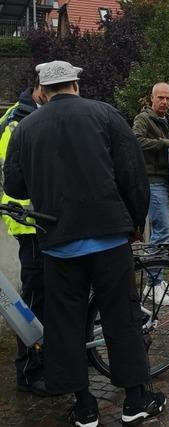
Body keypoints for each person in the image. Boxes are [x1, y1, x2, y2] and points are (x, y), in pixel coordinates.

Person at [3, 60, 166, 426]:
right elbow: (133, 175)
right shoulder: (105, 115)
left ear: (43, 92)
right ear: (76, 84)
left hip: (58, 241)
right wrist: (134, 223)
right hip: (109, 238)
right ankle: (136, 400)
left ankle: (84, 405)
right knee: (121, 317)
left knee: (65, 324)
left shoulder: (25, 127)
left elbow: (14, 187)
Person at [0, 77, 50, 396]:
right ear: (38, 89)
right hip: (29, 220)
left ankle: (48, 357)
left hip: (42, 219)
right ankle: (29, 370)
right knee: (34, 295)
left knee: (49, 292)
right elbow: (18, 173)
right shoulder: (18, 122)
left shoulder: (33, 115)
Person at [133, 82, 169, 305]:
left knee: (164, 230)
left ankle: (159, 277)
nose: (165, 102)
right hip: (152, 181)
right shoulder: (143, 119)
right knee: (163, 227)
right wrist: (165, 143)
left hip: (168, 182)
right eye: (161, 98)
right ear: (152, 98)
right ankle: (152, 285)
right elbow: (135, 141)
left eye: (168, 98)